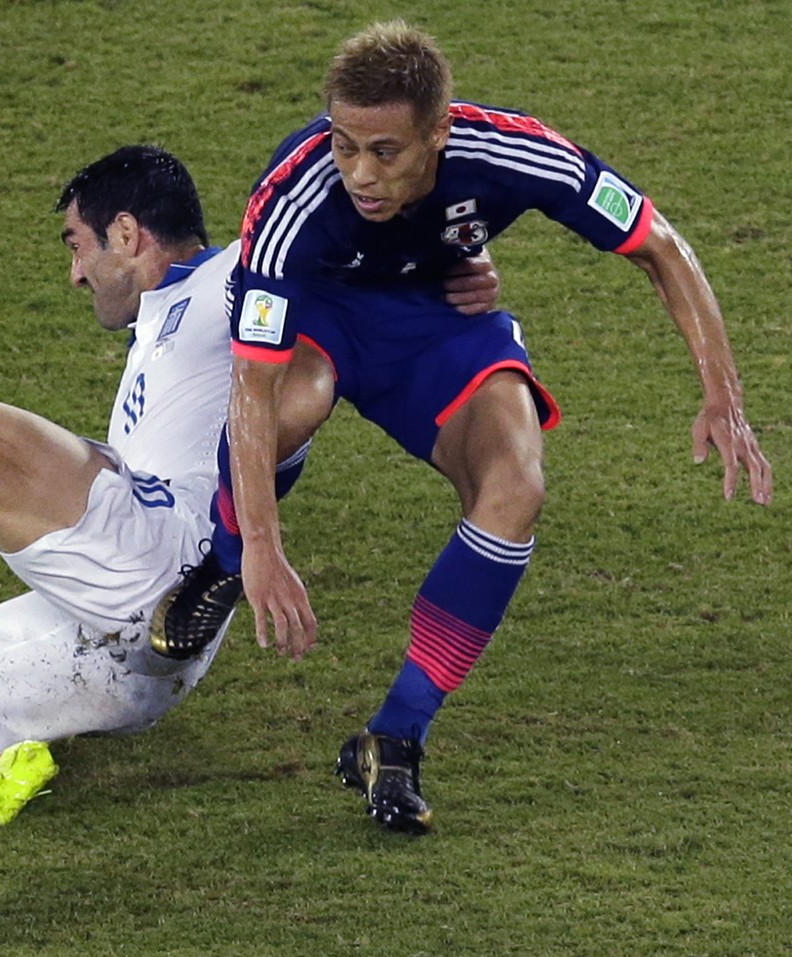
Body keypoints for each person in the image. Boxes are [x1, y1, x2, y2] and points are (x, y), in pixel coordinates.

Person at [156, 20, 773, 835]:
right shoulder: (293, 197)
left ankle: (396, 735)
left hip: (439, 324)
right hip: (323, 321)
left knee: (517, 486)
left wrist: (722, 395)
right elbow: (252, 387)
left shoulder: (516, 153)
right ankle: (224, 560)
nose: (359, 174)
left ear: (440, 131)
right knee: (292, 406)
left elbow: (659, 244)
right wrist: (264, 549)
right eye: (344, 144)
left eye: (385, 151)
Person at [0, 145, 500, 827]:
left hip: (155, 558)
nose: (76, 273)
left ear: (128, 233)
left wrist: (458, 257)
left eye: (78, 245)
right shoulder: (161, 320)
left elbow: (350, 216)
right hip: (140, 661)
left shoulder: (232, 277)